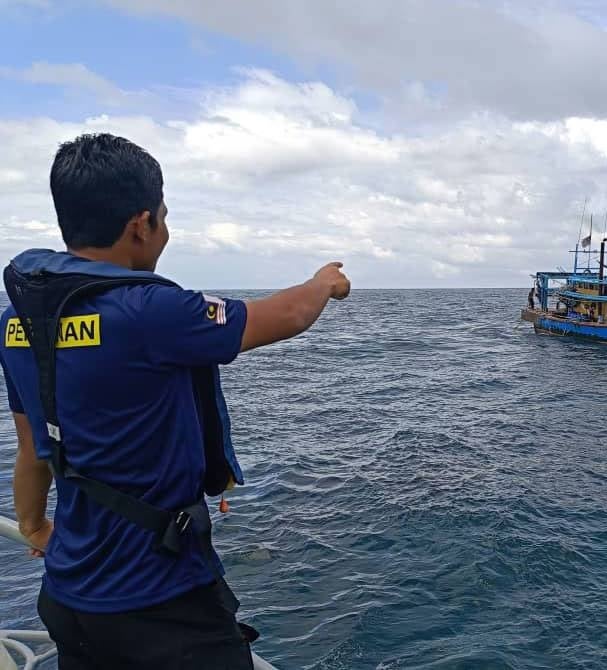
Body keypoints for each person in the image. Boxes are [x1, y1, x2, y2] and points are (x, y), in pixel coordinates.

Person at [0, 134, 350, 669]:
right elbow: (290, 315)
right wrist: (325, 281)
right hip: (161, 603)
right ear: (142, 224)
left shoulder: (19, 323)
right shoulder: (149, 311)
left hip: (68, 598)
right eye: (164, 216)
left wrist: (33, 528)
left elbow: (33, 450)